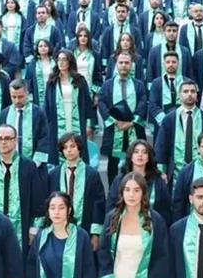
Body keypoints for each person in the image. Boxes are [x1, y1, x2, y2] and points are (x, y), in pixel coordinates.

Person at [0, 124, 46, 253]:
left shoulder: (28, 166)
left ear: (15, 140)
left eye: (8, 138)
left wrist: (33, 229)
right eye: (0, 138)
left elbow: (37, 198)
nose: (3, 142)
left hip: (22, 226)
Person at [155, 80, 203, 189]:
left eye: (193, 91)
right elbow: (162, 146)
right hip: (175, 171)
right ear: (179, 95)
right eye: (186, 91)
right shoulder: (169, 119)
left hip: (200, 170)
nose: (189, 94)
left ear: (197, 95)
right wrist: (161, 171)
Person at [99, 51, 148, 183]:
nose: (124, 65)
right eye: (121, 62)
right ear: (116, 64)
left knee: (135, 162)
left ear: (131, 65)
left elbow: (143, 104)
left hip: (134, 129)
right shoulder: (108, 84)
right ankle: (114, 191)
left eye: (127, 63)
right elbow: (102, 103)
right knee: (113, 165)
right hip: (114, 129)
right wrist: (114, 121)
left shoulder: (139, 85)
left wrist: (132, 122)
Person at [47, 132, 106, 241]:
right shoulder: (54, 174)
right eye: (65, 147)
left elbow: (98, 204)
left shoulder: (91, 174)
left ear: (79, 148)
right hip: (59, 229)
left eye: (72, 146)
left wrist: (95, 234)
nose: (69, 150)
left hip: (85, 227)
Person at [43, 50, 95, 165]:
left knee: (77, 147)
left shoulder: (79, 80)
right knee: (58, 152)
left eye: (64, 59)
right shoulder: (52, 81)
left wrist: (88, 124)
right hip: (57, 121)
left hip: (76, 119)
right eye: (59, 59)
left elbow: (87, 103)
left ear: (70, 62)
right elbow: (47, 105)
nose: (61, 62)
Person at [0, 78, 50, 166]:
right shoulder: (5, 113)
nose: (17, 100)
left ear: (27, 94)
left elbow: (43, 138)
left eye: (20, 97)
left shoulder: (38, 112)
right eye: (14, 97)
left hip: (34, 163)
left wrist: (35, 163)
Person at [148, 52, 191, 133]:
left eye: (174, 62)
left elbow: (191, 102)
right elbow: (153, 105)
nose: (171, 64)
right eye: (168, 62)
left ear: (178, 63)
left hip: (183, 120)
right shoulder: (156, 83)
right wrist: (165, 120)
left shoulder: (187, 82)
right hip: (162, 121)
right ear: (163, 64)